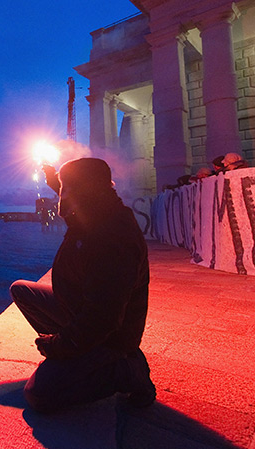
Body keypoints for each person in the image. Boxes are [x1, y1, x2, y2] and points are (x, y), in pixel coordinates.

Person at [10, 158, 155, 413]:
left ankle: (127, 371)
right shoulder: (96, 210)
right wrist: (54, 178)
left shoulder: (111, 238)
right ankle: (80, 351)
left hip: (112, 336)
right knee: (22, 290)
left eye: (66, 189)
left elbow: (103, 319)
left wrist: (57, 346)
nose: (62, 195)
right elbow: (78, 194)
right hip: (81, 310)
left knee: (39, 395)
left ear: (82, 191)